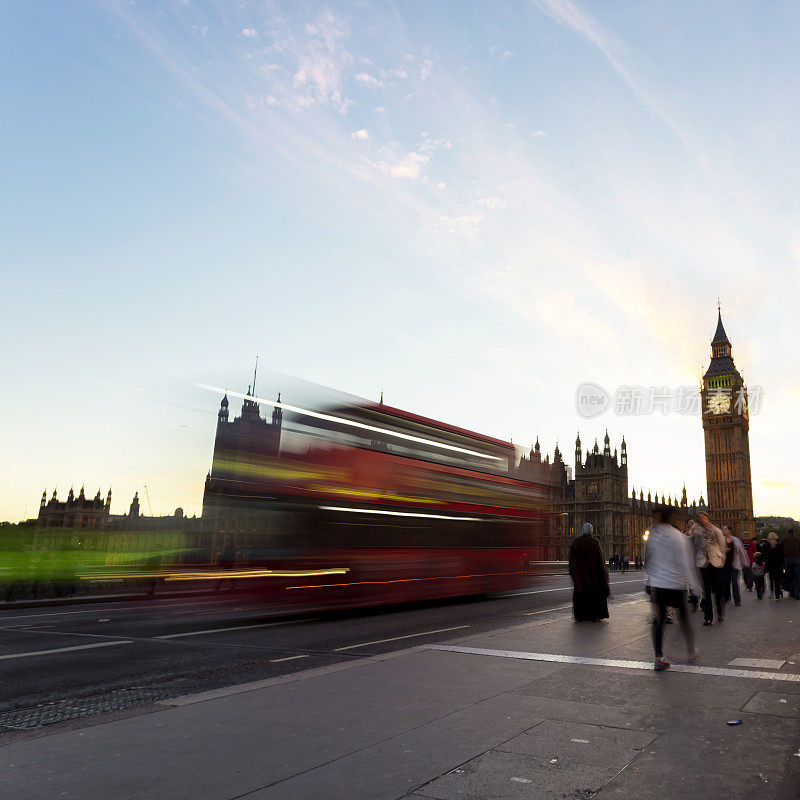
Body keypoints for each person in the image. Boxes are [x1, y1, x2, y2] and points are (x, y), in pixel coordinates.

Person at [645, 505, 701, 670]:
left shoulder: (652, 536)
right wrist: (695, 588)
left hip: (658, 584)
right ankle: (691, 652)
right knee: (683, 619)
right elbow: (686, 565)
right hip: (676, 584)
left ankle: (658, 658)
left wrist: (648, 581)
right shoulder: (678, 537)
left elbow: (648, 562)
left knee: (658, 622)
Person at [569, 523, 610, 622]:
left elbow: (572, 562)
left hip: (581, 577)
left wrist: (575, 575)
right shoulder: (594, 542)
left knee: (581, 596)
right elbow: (601, 561)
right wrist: (604, 577)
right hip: (594, 577)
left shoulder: (576, 542)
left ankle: (581, 616)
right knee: (594, 596)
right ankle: (595, 615)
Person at [694, 511, 726, 625]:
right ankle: (708, 618)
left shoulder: (716, 530)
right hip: (703, 562)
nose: (702, 519)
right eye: (700, 518)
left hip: (715, 562)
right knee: (705, 591)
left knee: (718, 590)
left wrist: (721, 558)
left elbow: (722, 545)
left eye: (704, 517)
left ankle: (720, 613)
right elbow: (696, 546)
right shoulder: (697, 533)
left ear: (708, 519)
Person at [721, 525, 748, 606]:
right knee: (726, 582)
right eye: (723, 529)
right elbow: (717, 549)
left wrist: (745, 562)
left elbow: (741, 551)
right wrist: (724, 549)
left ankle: (737, 600)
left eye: (725, 529)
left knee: (735, 582)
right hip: (725, 564)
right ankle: (726, 597)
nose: (723, 530)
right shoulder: (721, 539)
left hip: (734, 564)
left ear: (730, 531)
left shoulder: (736, 540)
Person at [765, 531, 784, 600]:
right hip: (778, 565)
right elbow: (782, 556)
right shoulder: (779, 546)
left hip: (770, 565)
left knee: (771, 579)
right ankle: (777, 595)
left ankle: (771, 593)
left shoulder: (767, 545)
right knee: (777, 580)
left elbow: (764, 555)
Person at [782, 528, 800, 600]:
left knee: (789, 577)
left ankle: (791, 592)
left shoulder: (784, 539)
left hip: (787, 559)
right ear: (794, 532)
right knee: (797, 577)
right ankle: (797, 594)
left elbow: (780, 548)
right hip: (796, 559)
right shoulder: (797, 538)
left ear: (788, 532)